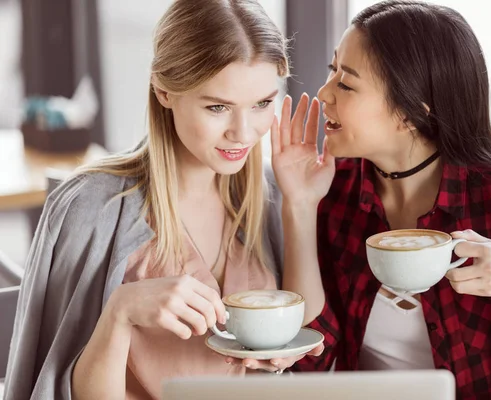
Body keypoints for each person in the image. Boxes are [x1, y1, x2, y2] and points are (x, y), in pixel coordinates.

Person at [258, 1, 491, 399]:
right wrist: (299, 204)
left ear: (410, 113)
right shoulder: (336, 190)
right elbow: (310, 359)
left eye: (346, 84)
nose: (323, 92)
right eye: (332, 71)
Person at [4, 1, 321, 399]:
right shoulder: (92, 208)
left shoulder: (264, 192)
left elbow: (300, 319)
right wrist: (120, 313)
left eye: (261, 104)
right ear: (164, 91)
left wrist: (301, 203)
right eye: (218, 107)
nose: (243, 133)